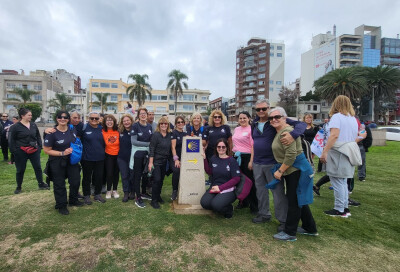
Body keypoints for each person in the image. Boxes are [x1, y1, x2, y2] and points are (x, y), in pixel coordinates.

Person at [250, 99, 306, 233]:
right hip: (257, 162)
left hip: (272, 163)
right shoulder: (254, 123)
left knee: (277, 193)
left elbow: (301, 124)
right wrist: (251, 160)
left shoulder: (275, 119)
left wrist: (293, 135)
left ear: (269, 108)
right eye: (258, 110)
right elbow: (254, 143)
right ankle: (264, 214)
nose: (261, 112)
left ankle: (283, 220)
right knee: (260, 190)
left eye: (264, 109)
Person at [268, 107, 317, 241]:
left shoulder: (287, 132)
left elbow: (291, 155)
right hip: (292, 169)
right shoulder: (281, 131)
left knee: (293, 201)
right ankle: (310, 227)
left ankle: (290, 232)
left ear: (285, 118)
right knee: (298, 198)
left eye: (277, 117)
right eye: (271, 118)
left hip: (296, 170)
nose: (274, 120)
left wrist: (280, 171)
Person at [320, 95, 363, 218]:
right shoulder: (352, 118)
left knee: (337, 180)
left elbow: (334, 135)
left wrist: (325, 151)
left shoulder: (336, 117)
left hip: (338, 150)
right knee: (343, 181)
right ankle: (344, 207)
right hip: (348, 149)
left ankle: (339, 209)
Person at [43, 111, 83, 215]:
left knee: (75, 181)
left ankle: (73, 200)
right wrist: (62, 153)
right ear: (57, 119)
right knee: (59, 184)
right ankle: (61, 205)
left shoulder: (72, 129)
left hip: (71, 160)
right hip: (57, 161)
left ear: (68, 119)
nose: (63, 119)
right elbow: (46, 150)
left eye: (65, 117)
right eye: (60, 117)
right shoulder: (52, 133)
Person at [8, 108, 49, 194]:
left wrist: (39, 147)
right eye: (29, 115)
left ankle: (41, 183)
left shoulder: (33, 125)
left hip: (34, 150)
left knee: (38, 167)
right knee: (20, 169)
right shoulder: (15, 127)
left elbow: (38, 136)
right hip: (21, 151)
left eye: (31, 115)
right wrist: (15, 151)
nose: (31, 116)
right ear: (22, 116)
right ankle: (18, 187)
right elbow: (11, 140)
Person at [200, 138, 241, 218]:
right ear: (216, 148)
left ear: (227, 148)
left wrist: (221, 188)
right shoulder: (213, 158)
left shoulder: (231, 161)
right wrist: (204, 159)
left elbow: (236, 179)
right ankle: (219, 202)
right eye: (219, 147)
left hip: (228, 189)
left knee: (216, 205)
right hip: (215, 187)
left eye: (223, 147)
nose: (221, 149)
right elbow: (209, 171)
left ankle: (229, 209)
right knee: (204, 203)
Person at [78, 112, 106, 204]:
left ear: (99, 120)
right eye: (92, 118)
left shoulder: (102, 129)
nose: (94, 120)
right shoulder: (84, 128)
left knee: (99, 177)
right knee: (86, 178)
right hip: (87, 158)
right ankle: (86, 195)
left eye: (96, 118)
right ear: (88, 119)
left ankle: (97, 194)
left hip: (100, 158)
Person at [232, 111, 258, 213]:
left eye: (244, 118)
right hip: (237, 157)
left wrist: (251, 161)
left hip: (247, 157)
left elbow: (253, 146)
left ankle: (254, 206)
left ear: (249, 118)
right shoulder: (237, 129)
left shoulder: (252, 129)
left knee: (250, 181)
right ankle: (243, 202)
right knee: (240, 181)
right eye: (240, 118)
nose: (242, 120)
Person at [130, 108, 153, 208]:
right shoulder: (135, 126)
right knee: (137, 175)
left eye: (145, 113)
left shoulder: (149, 126)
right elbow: (134, 141)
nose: (143, 115)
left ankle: (143, 193)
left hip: (147, 153)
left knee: (145, 174)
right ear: (138, 115)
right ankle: (137, 197)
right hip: (138, 153)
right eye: (141, 114)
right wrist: (148, 144)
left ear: (147, 115)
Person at [148, 117, 172, 209]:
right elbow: (152, 149)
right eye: (161, 124)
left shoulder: (170, 134)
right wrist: (150, 163)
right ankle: (153, 200)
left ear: (168, 125)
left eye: (165, 124)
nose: (163, 125)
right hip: (156, 162)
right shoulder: (156, 135)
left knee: (161, 180)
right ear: (159, 125)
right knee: (157, 180)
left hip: (164, 162)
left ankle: (158, 196)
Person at [102, 115, 120, 199]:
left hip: (118, 155)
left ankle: (115, 190)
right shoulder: (102, 131)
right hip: (108, 155)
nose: (109, 122)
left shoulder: (118, 131)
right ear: (105, 122)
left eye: (111, 120)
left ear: (114, 121)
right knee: (109, 173)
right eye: (107, 120)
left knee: (116, 173)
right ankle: (108, 190)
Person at [170, 116, 188, 200]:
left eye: (182, 122)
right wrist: (176, 159)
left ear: (184, 123)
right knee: (176, 170)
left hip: (184, 158)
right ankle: (174, 190)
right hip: (175, 157)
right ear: (176, 124)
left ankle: (185, 190)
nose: (180, 123)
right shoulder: (173, 133)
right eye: (178, 122)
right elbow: (173, 147)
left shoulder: (185, 134)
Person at [118, 114, 134, 202]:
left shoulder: (135, 131)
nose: (126, 122)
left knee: (132, 175)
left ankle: (132, 191)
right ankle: (126, 193)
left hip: (133, 158)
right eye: (124, 121)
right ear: (122, 122)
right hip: (122, 158)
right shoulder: (120, 131)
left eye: (128, 120)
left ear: (131, 121)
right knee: (124, 176)